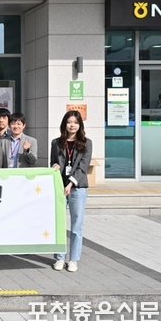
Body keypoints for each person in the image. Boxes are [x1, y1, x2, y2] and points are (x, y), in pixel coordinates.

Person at [51, 110, 92, 273]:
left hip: (77, 188)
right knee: (59, 224)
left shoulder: (86, 143)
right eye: (69, 122)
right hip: (59, 187)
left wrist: (70, 183)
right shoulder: (56, 143)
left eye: (75, 122)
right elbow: (53, 162)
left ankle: (73, 259)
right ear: (64, 124)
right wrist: (54, 166)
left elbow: (83, 166)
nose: (72, 125)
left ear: (80, 125)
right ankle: (60, 258)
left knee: (76, 225)